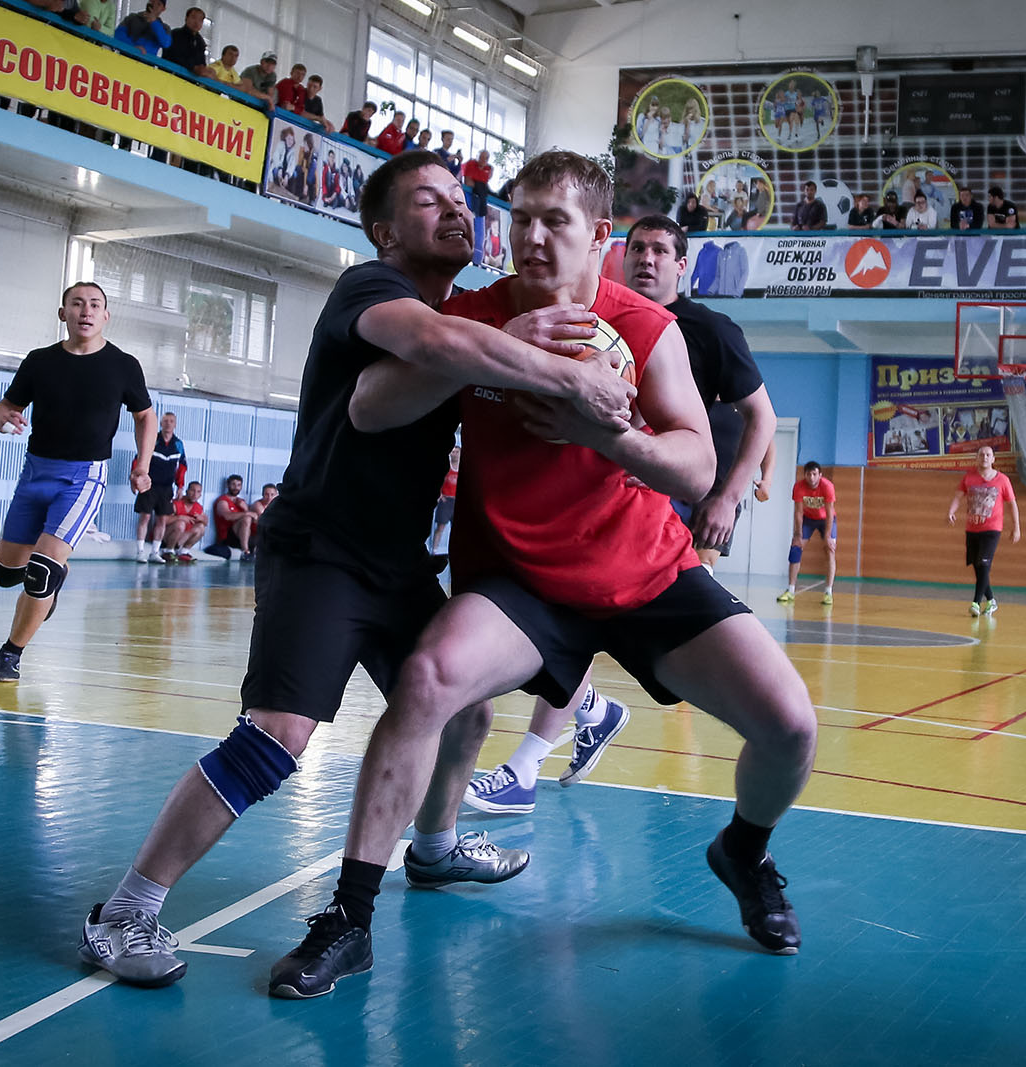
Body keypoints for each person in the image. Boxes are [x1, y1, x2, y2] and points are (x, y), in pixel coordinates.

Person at [77, 150, 634, 990]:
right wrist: (555, 365)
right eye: (428, 201)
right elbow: (437, 344)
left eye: (460, 199)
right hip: (322, 547)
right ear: (384, 231)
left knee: (464, 708)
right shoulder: (373, 289)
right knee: (277, 737)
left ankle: (435, 847)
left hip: (396, 558)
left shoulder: (465, 316)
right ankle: (125, 909)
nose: (456, 211)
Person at [273, 150, 817, 998]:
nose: (530, 236)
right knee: (428, 679)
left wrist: (611, 437)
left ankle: (744, 850)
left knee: (790, 724)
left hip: (643, 572)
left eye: (553, 221)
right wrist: (486, 356)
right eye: (519, 218)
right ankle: (350, 916)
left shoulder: (646, 326)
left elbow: (695, 467)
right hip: (519, 580)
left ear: (598, 235)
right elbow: (370, 406)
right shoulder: (474, 314)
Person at [465, 213, 777, 815]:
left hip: (676, 506)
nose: (646, 259)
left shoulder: (709, 331)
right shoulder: (586, 319)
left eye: (660, 250)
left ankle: (544, 751)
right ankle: (562, 734)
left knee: (598, 620)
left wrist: (728, 496)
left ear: (682, 265)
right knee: (563, 619)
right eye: (638, 248)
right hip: (589, 502)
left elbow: (761, 417)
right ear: (616, 251)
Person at [0, 283, 156, 681]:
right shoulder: (39, 361)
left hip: (83, 478)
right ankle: (53, 577)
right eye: (77, 304)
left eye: (95, 305)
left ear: (106, 316)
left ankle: (11, 653)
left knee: (41, 571)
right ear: (63, 313)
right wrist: (1, 417)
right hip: (35, 474)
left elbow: (145, 416)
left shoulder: (123, 365)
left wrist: (142, 464)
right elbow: (7, 406)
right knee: (5, 573)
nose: (86, 311)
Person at [948, 445, 1020, 616]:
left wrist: (1016, 527)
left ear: (993, 459)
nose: (985, 457)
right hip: (972, 529)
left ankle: (975, 603)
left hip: (992, 529)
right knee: (978, 566)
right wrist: (951, 511)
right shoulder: (969, 478)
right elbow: (958, 496)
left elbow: (1012, 504)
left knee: (984, 564)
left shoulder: (1002, 480)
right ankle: (991, 601)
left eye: (988, 455)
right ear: (977, 458)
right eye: (981, 455)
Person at [777, 461, 836, 605]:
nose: (811, 477)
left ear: (820, 475)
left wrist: (828, 536)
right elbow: (798, 512)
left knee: (830, 550)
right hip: (808, 519)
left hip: (826, 520)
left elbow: (829, 513)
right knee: (795, 549)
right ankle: (790, 590)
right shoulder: (799, 486)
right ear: (805, 475)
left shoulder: (827, 486)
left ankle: (828, 592)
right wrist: (798, 535)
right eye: (809, 474)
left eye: (814, 474)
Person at [134, 412, 187, 563]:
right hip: (149, 486)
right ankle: (140, 552)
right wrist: (137, 479)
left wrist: (180, 486)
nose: (168, 424)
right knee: (145, 517)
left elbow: (182, 467)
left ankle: (155, 553)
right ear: (161, 424)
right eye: (165, 421)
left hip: (166, 488)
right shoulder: (152, 440)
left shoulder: (178, 444)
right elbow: (138, 460)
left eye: (171, 421)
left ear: (175, 424)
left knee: (162, 520)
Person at [207, 474, 258, 561]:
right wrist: (247, 513)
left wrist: (245, 509)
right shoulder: (222, 501)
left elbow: (254, 520)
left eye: (238, 485)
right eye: (233, 484)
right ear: (228, 485)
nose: (236, 487)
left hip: (243, 537)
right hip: (227, 537)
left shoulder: (241, 502)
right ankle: (245, 551)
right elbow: (227, 516)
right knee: (247, 518)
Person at [162, 480, 207, 562]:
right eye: (192, 490)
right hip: (166, 537)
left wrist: (202, 519)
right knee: (180, 524)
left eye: (198, 492)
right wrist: (180, 517)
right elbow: (163, 521)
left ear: (200, 495)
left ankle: (184, 552)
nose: (195, 494)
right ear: (187, 491)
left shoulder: (198, 507)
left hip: (181, 539)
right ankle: (168, 551)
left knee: (201, 527)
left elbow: (206, 522)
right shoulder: (176, 502)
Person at [162, 7, 212, 77]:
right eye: (194, 18)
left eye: (200, 20)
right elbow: (173, 55)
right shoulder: (176, 34)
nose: (196, 22)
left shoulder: (200, 42)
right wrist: (193, 67)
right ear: (186, 18)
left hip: (189, 79)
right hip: (169, 74)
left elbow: (202, 62)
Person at [430, 444, 460, 555]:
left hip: (457, 501)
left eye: (457, 452)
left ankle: (455, 552)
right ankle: (434, 551)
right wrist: (439, 495)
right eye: (453, 452)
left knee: (456, 529)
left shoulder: (463, 468)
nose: (454, 454)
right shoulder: (446, 467)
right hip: (446, 501)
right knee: (440, 527)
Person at [462, 149, 493, 215]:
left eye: (486, 158)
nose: (483, 160)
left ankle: (480, 212)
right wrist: (478, 184)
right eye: (481, 157)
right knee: (480, 186)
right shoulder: (471, 164)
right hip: (467, 192)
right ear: (477, 156)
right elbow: (467, 182)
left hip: (482, 190)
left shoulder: (488, 168)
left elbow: (484, 182)